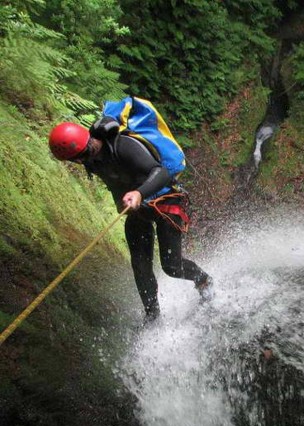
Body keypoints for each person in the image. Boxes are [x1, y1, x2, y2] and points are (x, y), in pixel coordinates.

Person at [48, 119, 213, 323]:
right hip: (137, 207)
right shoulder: (91, 161)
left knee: (172, 266)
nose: (81, 161)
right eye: (76, 159)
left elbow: (160, 173)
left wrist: (138, 193)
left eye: (83, 155)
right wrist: (121, 201)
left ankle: (205, 281)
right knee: (140, 265)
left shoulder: (123, 145)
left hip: (166, 199)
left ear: (88, 141)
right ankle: (152, 316)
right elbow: (114, 182)